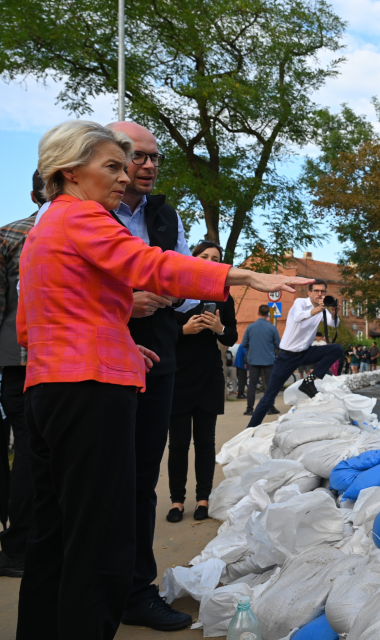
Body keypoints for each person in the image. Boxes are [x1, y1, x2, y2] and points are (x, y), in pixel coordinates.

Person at [15, 119, 312, 640]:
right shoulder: (83, 218)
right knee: (101, 537)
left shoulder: (45, 229)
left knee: (56, 533)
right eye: (111, 166)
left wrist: (116, 336)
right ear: (69, 171)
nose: (124, 178)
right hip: (91, 392)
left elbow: (36, 321)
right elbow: (149, 264)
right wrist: (244, 276)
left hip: (50, 388)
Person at [166, 241, 238, 524]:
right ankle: (176, 500)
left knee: (206, 442)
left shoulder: (223, 296)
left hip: (209, 376)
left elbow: (230, 337)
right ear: (192, 259)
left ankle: (203, 498)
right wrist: (183, 330)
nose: (210, 260)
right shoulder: (175, 292)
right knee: (178, 443)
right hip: (178, 377)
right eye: (204, 256)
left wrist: (219, 328)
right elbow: (158, 333)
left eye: (215, 258)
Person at [0, 171, 43, 578]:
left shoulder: (11, 234)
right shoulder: (12, 235)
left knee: (37, 453)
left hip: (37, 362)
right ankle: (18, 548)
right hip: (24, 364)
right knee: (32, 453)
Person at [247, 280, 343, 428]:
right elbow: (299, 317)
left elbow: (334, 324)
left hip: (305, 352)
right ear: (310, 293)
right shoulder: (300, 303)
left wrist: (335, 312)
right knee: (269, 395)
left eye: (322, 291)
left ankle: (309, 381)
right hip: (287, 356)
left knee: (337, 349)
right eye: (316, 291)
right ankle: (250, 429)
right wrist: (318, 310)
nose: (320, 294)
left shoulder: (323, 308)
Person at [241, 305, 281, 417]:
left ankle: (249, 409)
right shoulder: (272, 328)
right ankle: (270, 407)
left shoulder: (250, 327)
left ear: (258, 312)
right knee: (269, 385)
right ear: (268, 314)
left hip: (253, 360)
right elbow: (278, 344)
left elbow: (244, 344)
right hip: (269, 360)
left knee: (252, 385)